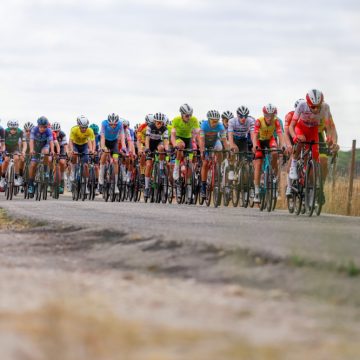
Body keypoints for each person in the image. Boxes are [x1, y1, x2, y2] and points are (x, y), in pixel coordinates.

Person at [252, 104, 285, 203]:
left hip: (270, 140)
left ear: (274, 115)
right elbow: (255, 135)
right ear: (264, 114)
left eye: (271, 115)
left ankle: (273, 175)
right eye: (267, 115)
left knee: (275, 153)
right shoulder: (259, 121)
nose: (269, 118)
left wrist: (282, 146)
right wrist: (254, 145)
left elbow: (280, 134)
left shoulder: (276, 122)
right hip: (260, 141)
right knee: (258, 163)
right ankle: (257, 191)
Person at [199, 110, 229, 197]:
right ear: (208, 120)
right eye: (213, 121)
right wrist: (202, 151)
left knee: (220, 148)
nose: (214, 123)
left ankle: (218, 166)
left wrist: (228, 150)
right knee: (205, 163)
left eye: (216, 121)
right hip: (205, 143)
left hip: (214, 142)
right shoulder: (204, 125)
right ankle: (203, 186)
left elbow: (224, 140)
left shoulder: (220, 126)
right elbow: (201, 140)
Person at [171, 103, 200, 181]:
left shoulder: (194, 120)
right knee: (181, 145)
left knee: (190, 160)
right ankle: (176, 167)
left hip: (188, 138)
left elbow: (198, 134)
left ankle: (188, 183)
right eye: (187, 116)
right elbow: (173, 135)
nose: (189, 117)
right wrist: (174, 145)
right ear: (182, 114)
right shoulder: (176, 120)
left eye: (190, 115)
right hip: (178, 137)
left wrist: (201, 146)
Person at [98, 113, 126, 194]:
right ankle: (101, 181)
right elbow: (102, 137)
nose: (113, 126)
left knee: (116, 161)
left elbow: (122, 136)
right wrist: (103, 147)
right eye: (111, 124)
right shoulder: (104, 123)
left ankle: (116, 185)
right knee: (105, 155)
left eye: (115, 124)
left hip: (114, 142)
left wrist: (124, 147)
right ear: (108, 122)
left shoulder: (120, 124)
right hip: (105, 141)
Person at [144, 112, 169, 198]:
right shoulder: (150, 127)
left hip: (158, 142)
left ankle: (161, 168)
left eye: (161, 122)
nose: (159, 124)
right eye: (157, 122)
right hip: (150, 144)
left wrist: (167, 149)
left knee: (162, 148)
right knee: (148, 165)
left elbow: (165, 140)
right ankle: (147, 188)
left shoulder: (165, 128)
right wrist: (147, 148)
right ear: (154, 121)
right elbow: (147, 138)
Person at [28, 116, 54, 196]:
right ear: (38, 125)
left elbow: (51, 142)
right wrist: (32, 149)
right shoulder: (34, 130)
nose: (42, 128)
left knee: (46, 152)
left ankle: (45, 170)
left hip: (44, 146)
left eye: (44, 127)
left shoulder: (49, 131)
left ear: (47, 126)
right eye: (41, 127)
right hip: (36, 147)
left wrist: (52, 150)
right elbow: (31, 141)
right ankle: (31, 184)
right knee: (32, 165)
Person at [68, 115, 95, 193]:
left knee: (86, 165)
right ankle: (73, 172)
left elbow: (93, 142)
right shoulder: (74, 129)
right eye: (82, 127)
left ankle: (85, 185)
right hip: (75, 145)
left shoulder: (90, 130)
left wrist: (92, 150)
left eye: (85, 127)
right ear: (79, 125)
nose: (84, 129)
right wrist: (72, 150)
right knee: (74, 155)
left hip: (84, 145)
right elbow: (70, 141)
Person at [1, 120, 27, 189]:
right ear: (9, 128)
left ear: (17, 128)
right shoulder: (5, 131)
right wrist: (2, 150)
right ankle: (2, 178)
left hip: (15, 147)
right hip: (6, 147)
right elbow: (2, 142)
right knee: (6, 160)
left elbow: (24, 143)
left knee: (16, 158)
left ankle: (16, 178)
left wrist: (23, 151)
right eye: (11, 129)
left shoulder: (21, 132)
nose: (13, 130)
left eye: (14, 129)